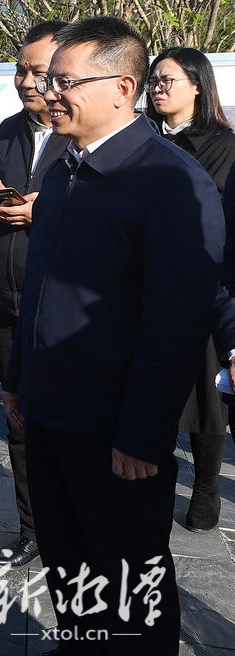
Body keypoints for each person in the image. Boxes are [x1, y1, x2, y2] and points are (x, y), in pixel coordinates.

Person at [10, 16, 223, 652]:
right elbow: (39, 292)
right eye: (49, 80)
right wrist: (19, 380)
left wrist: (142, 432)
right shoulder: (62, 171)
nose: (50, 93)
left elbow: (176, 320)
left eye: (64, 81)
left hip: (114, 431)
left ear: (121, 86)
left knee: (130, 578)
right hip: (51, 414)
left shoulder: (172, 182)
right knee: (70, 563)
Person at [0, 19, 69, 570]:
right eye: (21, 69)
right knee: (18, 421)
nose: (27, 80)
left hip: (61, 312)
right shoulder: (9, 130)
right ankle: (31, 527)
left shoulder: (86, 134)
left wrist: (43, 209)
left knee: (65, 428)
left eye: (38, 70)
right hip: (9, 296)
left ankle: (70, 531)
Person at [146, 47, 235, 533]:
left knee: (206, 397)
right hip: (147, 285)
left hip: (204, 283)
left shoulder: (223, 143)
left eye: (169, 80)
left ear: (198, 86)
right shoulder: (141, 138)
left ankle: (206, 488)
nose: (158, 87)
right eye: (154, 80)